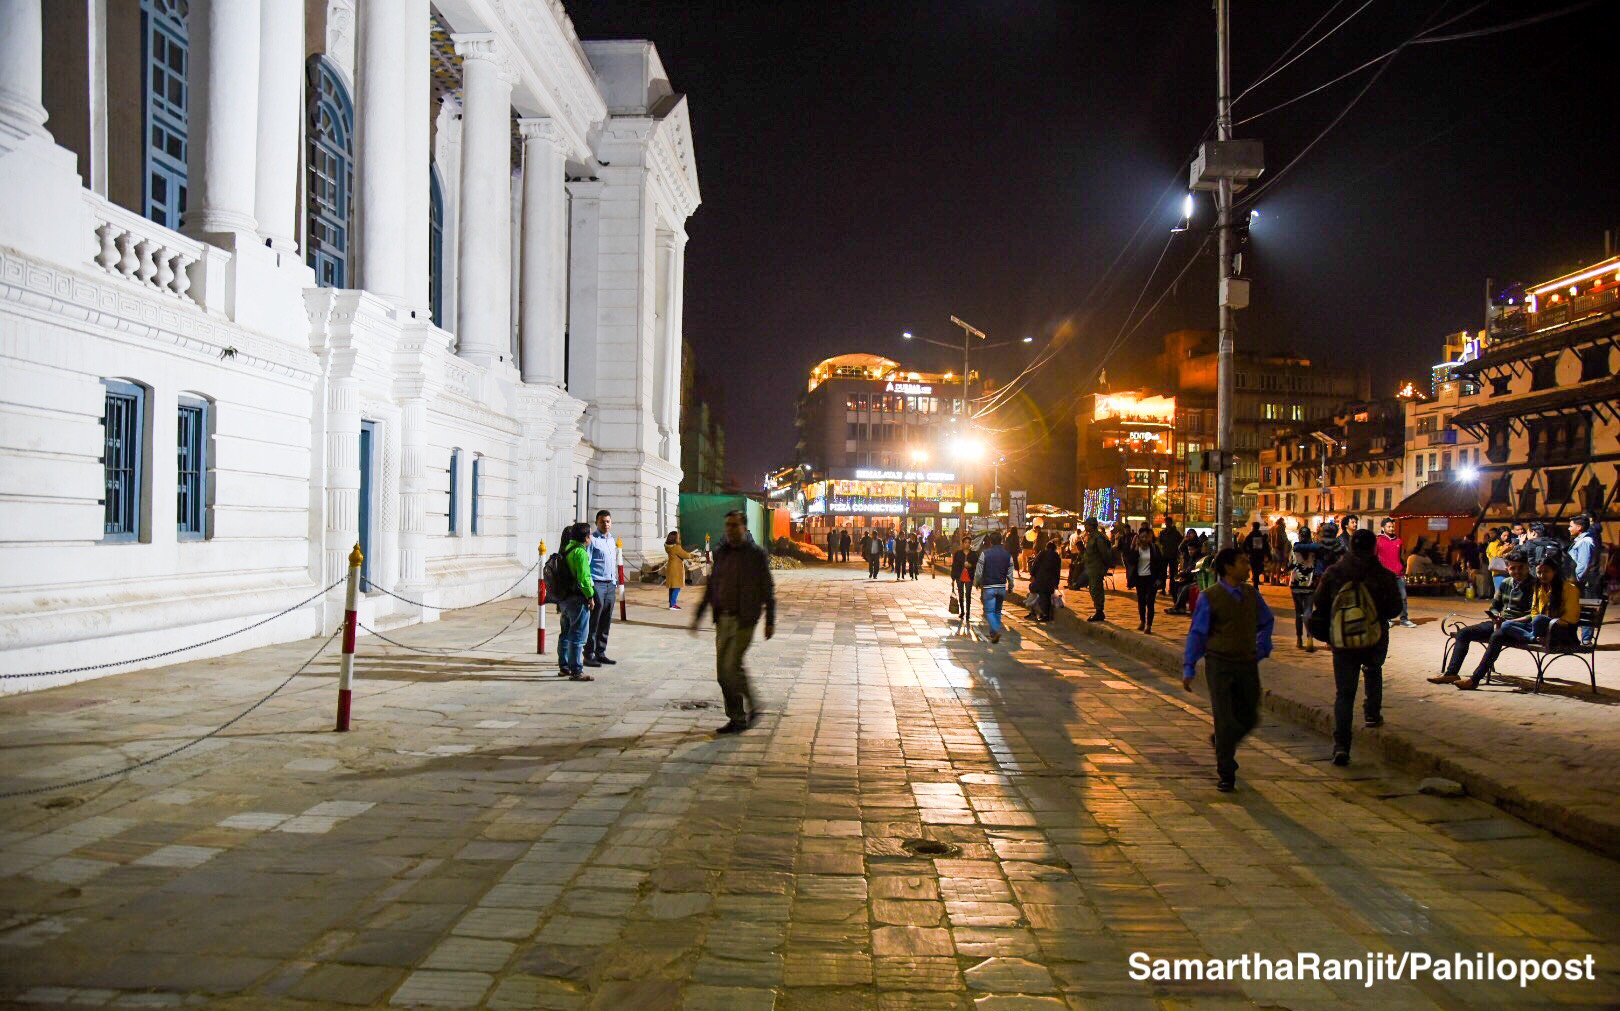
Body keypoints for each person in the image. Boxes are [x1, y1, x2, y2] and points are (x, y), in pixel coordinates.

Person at [1183, 549, 1275, 792]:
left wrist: (1263, 645)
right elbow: (1198, 633)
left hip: (1246, 662)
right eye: (1242, 562)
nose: (1248, 566)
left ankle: (1223, 740)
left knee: (1249, 715)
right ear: (1228, 568)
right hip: (1219, 663)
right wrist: (1189, 666)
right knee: (1224, 717)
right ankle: (1226, 771)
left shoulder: (1251, 594)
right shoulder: (1210, 597)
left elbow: (1266, 620)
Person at [1310, 529, 1403, 766]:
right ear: (1374, 548)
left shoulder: (1334, 573)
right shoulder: (1384, 575)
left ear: (1351, 546)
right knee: (1373, 671)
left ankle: (1341, 745)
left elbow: (1320, 606)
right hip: (1375, 636)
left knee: (1345, 693)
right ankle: (1372, 713)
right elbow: (1394, 609)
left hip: (1343, 640)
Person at [691, 510, 776, 733]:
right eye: (727, 525)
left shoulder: (756, 554)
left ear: (744, 528)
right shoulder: (721, 553)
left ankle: (753, 704)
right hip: (723, 619)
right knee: (722, 674)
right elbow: (712, 586)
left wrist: (770, 619)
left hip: (745, 619)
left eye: (734, 525)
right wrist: (699, 613)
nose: (729, 529)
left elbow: (768, 587)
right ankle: (737, 718)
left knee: (731, 666)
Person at [1455, 555, 1581, 691]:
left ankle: (1534, 635)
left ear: (1554, 571)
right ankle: (1474, 679)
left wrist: (1545, 624)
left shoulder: (1568, 588)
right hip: (1537, 629)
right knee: (1503, 629)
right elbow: (1533, 610)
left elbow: (1570, 619)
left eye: (1546, 571)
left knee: (1538, 619)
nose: (1542, 575)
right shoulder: (1538, 586)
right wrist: (1502, 618)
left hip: (1560, 631)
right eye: (1539, 572)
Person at [1428, 552, 1534, 686]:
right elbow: (1494, 606)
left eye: (1520, 568)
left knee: (1496, 637)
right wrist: (1496, 616)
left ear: (1527, 567)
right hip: (1500, 623)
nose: (1517, 571)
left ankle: (1474, 680)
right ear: (1507, 568)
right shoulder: (1506, 583)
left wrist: (1509, 622)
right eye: (1513, 568)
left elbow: (1534, 615)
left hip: (1520, 627)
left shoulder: (1535, 585)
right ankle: (1451, 673)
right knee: (1464, 632)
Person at [554, 522, 597, 681]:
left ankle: (564, 666)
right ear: (585, 537)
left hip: (564, 599)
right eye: (590, 535)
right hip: (577, 599)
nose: (591, 537)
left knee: (565, 633)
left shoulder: (566, 549)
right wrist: (590, 596)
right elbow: (585, 579)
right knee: (578, 636)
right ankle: (576, 670)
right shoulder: (580, 553)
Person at [585, 510, 620, 668]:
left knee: (606, 620)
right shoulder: (592, 540)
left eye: (608, 521)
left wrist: (615, 582)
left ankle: (601, 652)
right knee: (595, 620)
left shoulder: (612, 540)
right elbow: (587, 563)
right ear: (596, 523)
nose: (605, 524)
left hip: (610, 585)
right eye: (602, 522)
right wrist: (590, 588)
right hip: (597, 583)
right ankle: (589, 654)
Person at [973, 530, 1015, 644]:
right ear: (1001, 541)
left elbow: (979, 571)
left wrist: (976, 582)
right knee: (997, 611)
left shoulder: (984, 554)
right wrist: (1011, 586)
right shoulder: (1008, 555)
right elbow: (1010, 573)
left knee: (989, 611)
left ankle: (995, 630)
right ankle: (993, 633)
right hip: (1001, 587)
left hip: (988, 587)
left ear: (990, 542)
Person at [1123, 526, 1167, 633]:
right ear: (1139, 537)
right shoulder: (1136, 549)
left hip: (1151, 579)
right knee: (1141, 601)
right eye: (1142, 537)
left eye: (1146, 537)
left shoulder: (1154, 548)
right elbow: (1130, 562)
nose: (1144, 539)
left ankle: (1149, 625)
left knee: (1150, 602)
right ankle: (1142, 621)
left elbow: (1161, 565)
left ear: (1150, 537)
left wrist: (1160, 579)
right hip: (1140, 579)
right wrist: (1136, 549)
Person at [1376, 518, 1417, 628]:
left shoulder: (1399, 541)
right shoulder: (1378, 541)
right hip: (1384, 575)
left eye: (1392, 526)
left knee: (1403, 597)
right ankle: (1387, 619)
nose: (1391, 528)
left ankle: (1404, 619)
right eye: (1389, 526)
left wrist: (1401, 568)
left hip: (1398, 574)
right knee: (1386, 597)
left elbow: (1400, 557)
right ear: (1383, 528)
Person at [1568, 514, 1603, 644]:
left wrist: (1574, 581)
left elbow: (1582, 565)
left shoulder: (1585, 542)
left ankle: (1586, 640)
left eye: (1571, 526)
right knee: (1579, 609)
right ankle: (1578, 638)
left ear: (1579, 527)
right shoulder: (1580, 540)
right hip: (1583, 582)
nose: (1568, 529)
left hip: (1585, 583)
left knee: (1587, 609)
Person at [1285, 538, 1322, 652]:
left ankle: (1298, 639)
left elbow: (1290, 565)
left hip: (1296, 584)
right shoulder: (1314, 551)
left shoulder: (1295, 549)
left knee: (1298, 612)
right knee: (1308, 611)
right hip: (1309, 584)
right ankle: (1309, 638)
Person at [1081, 518, 1112, 623]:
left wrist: (1104, 567)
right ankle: (1098, 610)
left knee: (1096, 589)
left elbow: (1104, 554)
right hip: (1091, 567)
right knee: (1093, 589)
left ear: (1091, 525)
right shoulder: (1091, 536)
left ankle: (1099, 611)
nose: (1085, 526)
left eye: (1086, 524)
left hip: (1097, 568)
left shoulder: (1098, 538)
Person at [1166, 529, 1204, 615]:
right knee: (1175, 585)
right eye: (1189, 550)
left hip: (1195, 579)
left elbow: (1193, 568)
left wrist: (1185, 573)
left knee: (1185, 588)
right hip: (1188, 576)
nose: (1190, 551)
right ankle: (1179, 606)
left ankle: (1178, 607)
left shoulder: (1199, 554)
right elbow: (1180, 548)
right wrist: (1185, 540)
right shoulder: (1188, 553)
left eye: (1191, 534)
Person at [1028, 539, 1062, 622]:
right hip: (1050, 582)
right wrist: (1056, 583)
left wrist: (1032, 575)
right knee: (1046, 595)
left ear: (1047, 547)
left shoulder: (1042, 553)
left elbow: (1035, 565)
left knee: (1034, 590)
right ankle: (1044, 614)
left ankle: (1036, 613)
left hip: (1040, 581)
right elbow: (1057, 571)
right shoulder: (1057, 557)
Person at [950, 535, 978, 627]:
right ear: (962, 543)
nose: (967, 544)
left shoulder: (973, 554)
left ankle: (968, 612)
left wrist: (970, 565)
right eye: (965, 542)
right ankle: (962, 611)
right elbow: (954, 565)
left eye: (968, 543)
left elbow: (976, 564)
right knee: (961, 593)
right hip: (959, 576)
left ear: (970, 544)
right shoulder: (958, 553)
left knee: (968, 594)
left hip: (969, 576)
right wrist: (953, 578)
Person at [665, 530, 692, 610]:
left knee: (672, 587)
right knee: (677, 587)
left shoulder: (667, 546)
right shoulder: (676, 547)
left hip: (670, 567)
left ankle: (671, 604)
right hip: (676, 569)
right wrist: (692, 555)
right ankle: (673, 605)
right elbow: (686, 555)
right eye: (678, 536)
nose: (679, 537)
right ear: (675, 538)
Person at [1242, 521, 1270, 590]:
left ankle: (1255, 585)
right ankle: (1255, 585)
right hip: (1259, 556)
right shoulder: (1260, 535)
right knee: (1258, 570)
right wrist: (1267, 554)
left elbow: (1244, 545)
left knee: (1255, 571)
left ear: (1253, 527)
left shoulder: (1250, 536)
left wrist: (1247, 552)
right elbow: (1266, 546)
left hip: (1253, 555)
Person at [1485, 527, 1515, 592]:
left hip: (1508, 571)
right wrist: (1503, 549)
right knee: (1499, 593)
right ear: (1499, 535)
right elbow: (1495, 557)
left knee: (1507, 594)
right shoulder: (1492, 544)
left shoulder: (1506, 544)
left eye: (1507, 535)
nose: (1506, 537)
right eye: (1504, 535)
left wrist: (1511, 549)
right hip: (1498, 572)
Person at [1158, 515, 1181, 596]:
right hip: (1164, 556)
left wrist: (1178, 553)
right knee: (1163, 573)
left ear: (1171, 523)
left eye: (1169, 522)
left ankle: (1172, 589)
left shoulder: (1176, 533)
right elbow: (1160, 543)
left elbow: (1180, 543)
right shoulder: (1162, 533)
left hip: (1173, 555)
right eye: (1166, 522)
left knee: (1173, 574)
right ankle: (1163, 588)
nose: (1167, 524)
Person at [1268, 518, 1291, 586]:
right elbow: (1284, 538)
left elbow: (1269, 539)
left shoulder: (1271, 528)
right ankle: (1277, 581)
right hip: (1279, 548)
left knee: (1274, 564)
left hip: (1273, 548)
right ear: (1281, 522)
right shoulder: (1280, 528)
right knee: (1279, 564)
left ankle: (1272, 581)